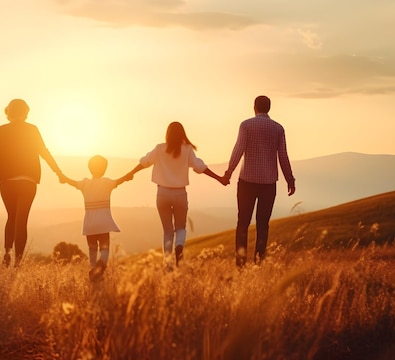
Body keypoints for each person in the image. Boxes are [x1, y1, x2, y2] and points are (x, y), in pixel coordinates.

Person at [127, 121, 228, 267]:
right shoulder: (187, 150)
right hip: (180, 194)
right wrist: (219, 178)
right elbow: (200, 167)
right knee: (180, 227)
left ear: (167, 133)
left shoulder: (160, 148)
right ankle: (179, 246)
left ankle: (168, 264)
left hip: (162, 193)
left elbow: (144, 162)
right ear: (182, 133)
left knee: (167, 231)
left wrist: (129, 174)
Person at [0, 98, 63, 267]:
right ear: (26, 112)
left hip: (6, 179)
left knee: (11, 217)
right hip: (28, 179)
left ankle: (7, 252)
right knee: (21, 220)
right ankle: (18, 261)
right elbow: (43, 152)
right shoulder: (32, 130)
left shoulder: (1, 130)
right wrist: (58, 171)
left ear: (8, 112)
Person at [221, 95, 296, 268]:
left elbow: (238, 150)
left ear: (254, 107)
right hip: (269, 183)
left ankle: (240, 264)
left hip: (247, 181)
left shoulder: (246, 125)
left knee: (243, 222)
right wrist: (290, 179)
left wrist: (229, 172)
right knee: (263, 224)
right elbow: (283, 156)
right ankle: (258, 264)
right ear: (269, 108)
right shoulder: (278, 128)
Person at [59, 155, 133, 281]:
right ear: (104, 169)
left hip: (89, 223)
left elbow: (69, 181)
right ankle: (99, 268)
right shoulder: (107, 183)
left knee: (92, 249)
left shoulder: (85, 184)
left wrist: (61, 176)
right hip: (104, 222)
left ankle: (93, 270)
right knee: (105, 249)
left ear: (89, 168)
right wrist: (131, 174)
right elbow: (123, 179)